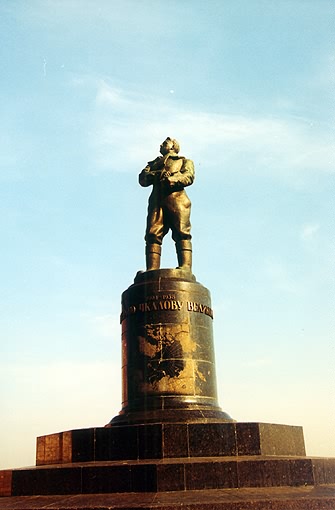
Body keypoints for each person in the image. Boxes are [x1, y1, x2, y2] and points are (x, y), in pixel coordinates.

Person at [139, 137, 195, 271]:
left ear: (172, 147)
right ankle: (151, 269)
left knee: (182, 232)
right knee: (152, 234)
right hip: (157, 202)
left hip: (177, 201)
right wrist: (158, 175)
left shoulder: (184, 161)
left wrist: (172, 179)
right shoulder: (153, 164)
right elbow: (143, 179)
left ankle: (185, 268)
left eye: (165, 143)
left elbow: (189, 176)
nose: (161, 145)